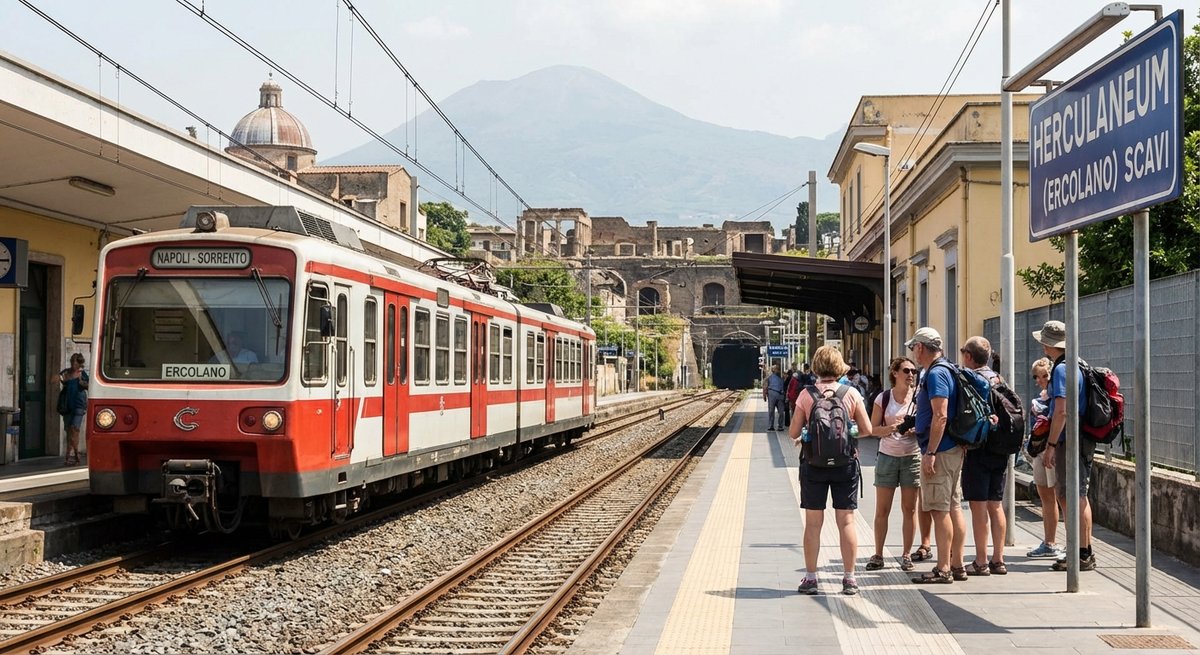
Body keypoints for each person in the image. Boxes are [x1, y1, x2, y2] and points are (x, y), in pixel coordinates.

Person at [790, 345, 874, 596]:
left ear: (816, 366)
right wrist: (850, 431)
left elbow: (793, 433)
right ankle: (849, 579)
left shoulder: (806, 395)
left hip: (813, 465)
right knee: (846, 521)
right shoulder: (850, 393)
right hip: (845, 464)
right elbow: (867, 429)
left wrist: (805, 432)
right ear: (840, 367)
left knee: (813, 523)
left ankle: (811, 578)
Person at [1033, 320, 1096, 571]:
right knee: (1078, 495)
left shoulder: (1061, 370)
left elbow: (1061, 411)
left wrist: (1050, 445)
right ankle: (1084, 551)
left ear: (1048, 344)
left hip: (1069, 439)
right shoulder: (1078, 364)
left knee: (1069, 496)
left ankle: (1079, 553)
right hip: (1081, 437)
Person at [906, 327, 968, 584]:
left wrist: (930, 451)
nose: (913, 353)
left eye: (914, 348)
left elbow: (940, 415)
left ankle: (943, 568)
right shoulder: (949, 369)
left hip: (940, 451)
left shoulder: (936, 374)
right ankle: (957, 564)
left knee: (940, 510)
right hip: (952, 448)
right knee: (952, 507)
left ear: (920, 347)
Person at [864, 357, 920, 572]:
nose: (911, 375)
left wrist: (916, 430)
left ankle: (906, 554)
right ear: (894, 373)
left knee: (909, 509)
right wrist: (893, 428)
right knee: (882, 509)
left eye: (914, 371)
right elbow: (872, 428)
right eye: (906, 370)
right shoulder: (883, 398)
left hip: (912, 456)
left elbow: (926, 425)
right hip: (887, 455)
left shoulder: (918, 398)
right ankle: (878, 553)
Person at [958, 336, 1008, 576]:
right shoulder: (1000, 380)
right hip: (999, 449)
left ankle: (981, 560)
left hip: (977, 449)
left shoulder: (971, 380)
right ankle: (999, 559)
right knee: (996, 506)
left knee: (978, 508)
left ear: (969, 356)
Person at [1025, 357, 1064, 559]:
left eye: (1045, 375)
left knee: (1058, 498)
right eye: (1036, 377)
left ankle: (1058, 543)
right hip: (1040, 452)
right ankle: (1049, 541)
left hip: (1052, 451)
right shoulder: (1040, 399)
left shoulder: (1056, 398)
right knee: (1046, 498)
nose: (1040, 380)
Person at [59, 353, 88, 466]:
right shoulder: (65, 373)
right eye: (71, 361)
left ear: (79, 363)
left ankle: (68, 455)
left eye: (75, 362)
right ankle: (75, 455)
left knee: (74, 428)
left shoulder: (82, 374)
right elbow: (56, 378)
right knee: (69, 431)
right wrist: (59, 379)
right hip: (67, 405)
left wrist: (82, 383)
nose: (73, 363)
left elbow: (88, 385)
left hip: (79, 405)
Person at [763, 364, 787, 431]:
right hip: (772, 394)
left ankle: (780, 426)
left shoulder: (782, 377)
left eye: (778, 369)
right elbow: (765, 386)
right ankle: (771, 426)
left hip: (780, 395)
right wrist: (764, 395)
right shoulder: (769, 377)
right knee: (771, 411)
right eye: (776, 369)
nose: (777, 370)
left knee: (781, 412)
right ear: (773, 370)